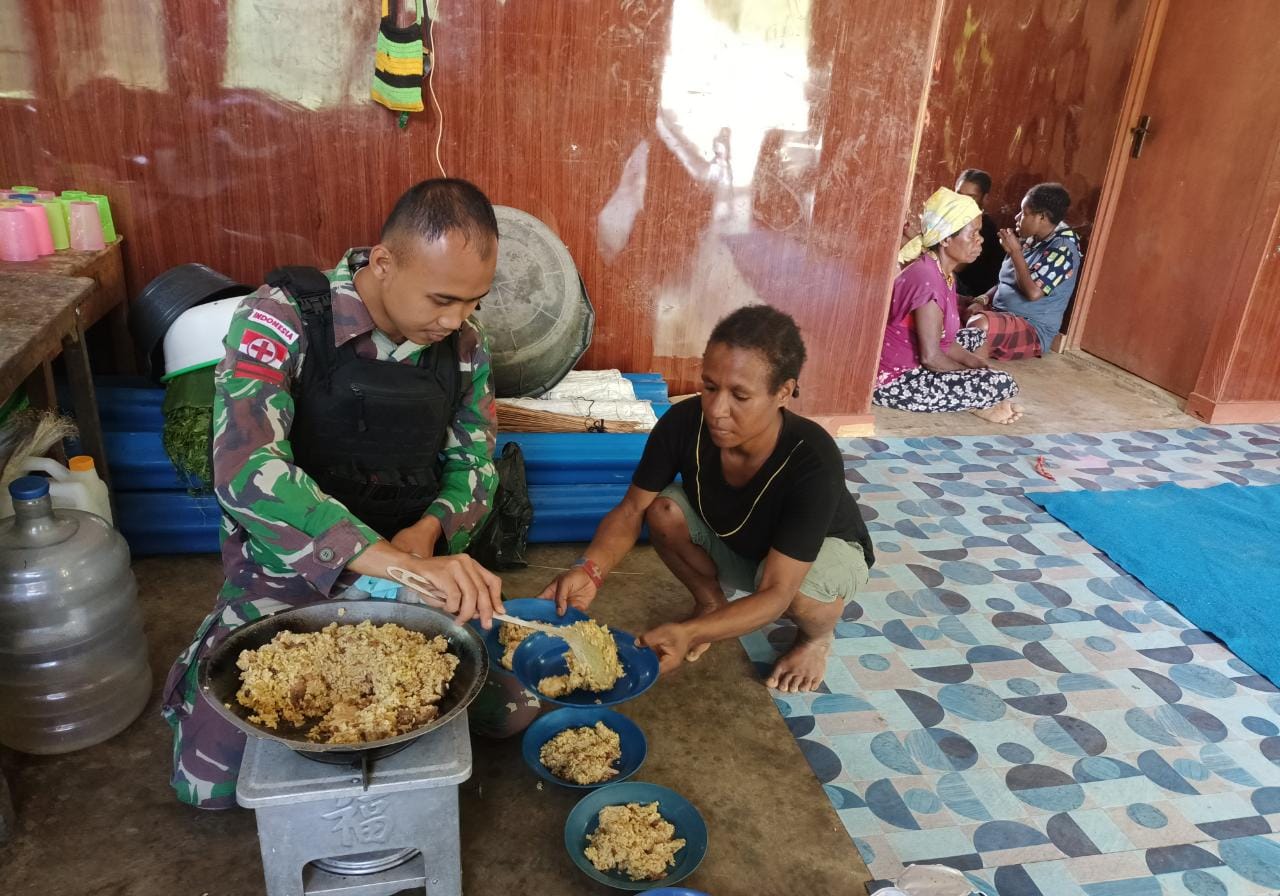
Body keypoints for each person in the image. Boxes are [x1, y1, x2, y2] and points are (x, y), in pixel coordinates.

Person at [162, 178, 508, 809]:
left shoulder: (464, 346)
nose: (456, 319)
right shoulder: (284, 317)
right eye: (442, 298)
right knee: (208, 788)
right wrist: (388, 558)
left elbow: (475, 466)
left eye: (472, 301)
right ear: (383, 261)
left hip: (411, 564)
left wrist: (427, 533)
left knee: (509, 714)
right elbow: (244, 471)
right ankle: (205, 659)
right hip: (290, 571)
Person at [539, 305, 875, 694]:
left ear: (783, 392)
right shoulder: (683, 423)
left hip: (821, 556)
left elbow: (777, 592)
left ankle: (817, 639)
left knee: (799, 593)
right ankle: (713, 605)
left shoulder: (812, 457)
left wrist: (688, 633)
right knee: (662, 508)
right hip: (746, 545)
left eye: (740, 395)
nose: (716, 410)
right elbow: (632, 509)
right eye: (710, 386)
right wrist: (590, 569)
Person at [877, 187, 1022, 424]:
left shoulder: (942, 271)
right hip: (895, 380)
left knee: (976, 339)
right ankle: (980, 402)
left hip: (918, 356)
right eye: (973, 233)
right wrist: (976, 377)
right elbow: (931, 357)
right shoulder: (927, 279)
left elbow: (946, 341)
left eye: (979, 232)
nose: (980, 240)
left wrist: (979, 366)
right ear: (945, 239)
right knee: (1002, 383)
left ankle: (977, 397)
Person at [962, 182, 1082, 360]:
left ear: (1041, 218)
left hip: (1030, 327)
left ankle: (966, 367)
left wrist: (1015, 252)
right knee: (947, 301)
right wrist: (982, 299)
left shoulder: (1063, 249)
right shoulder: (1030, 239)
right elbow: (1005, 282)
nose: (1017, 217)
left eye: (1024, 213)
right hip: (997, 311)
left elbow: (1033, 292)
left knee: (978, 325)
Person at [953, 168, 1005, 297]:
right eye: (959, 194)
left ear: (985, 198)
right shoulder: (953, 219)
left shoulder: (984, 228)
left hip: (970, 293)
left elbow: (953, 267)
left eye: (971, 197)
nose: (962, 201)